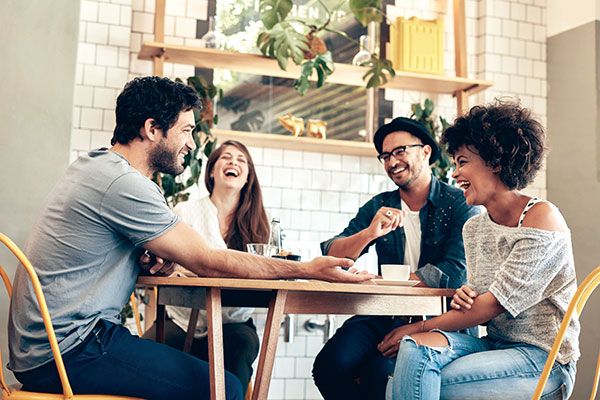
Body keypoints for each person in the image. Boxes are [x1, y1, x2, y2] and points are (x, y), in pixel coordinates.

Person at [7, 76, 373, 400]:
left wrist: (146, 257)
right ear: (152, 129)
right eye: (185, 130)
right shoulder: (125, 183)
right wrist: (307, 269)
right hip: (70, 349)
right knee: (225, 389)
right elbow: (207, 259)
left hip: (46, 346)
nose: (191, 143)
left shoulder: (96, 167)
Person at [384, 101, 580, 399]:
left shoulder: (542, 218)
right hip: (496, 344)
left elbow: (491, 306)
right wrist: (467, 295)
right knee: (415, 350)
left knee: (413, 380)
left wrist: (417, 326)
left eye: (462, 162)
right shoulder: (474, 227)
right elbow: (481, 307)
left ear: (496, 161)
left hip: (545, 361)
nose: (455, 173)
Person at [312, 117, 480, 399]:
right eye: (386, 156)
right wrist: (368, 233)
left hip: (442, 317)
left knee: (380, 373)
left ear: (426, 151)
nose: (392, 162)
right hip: (384, 311)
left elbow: (455, 272)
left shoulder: (459, 204)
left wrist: (392, 281)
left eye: (400, 151)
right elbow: (332, 253)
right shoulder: (380, 205)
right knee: (330, 365)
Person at [143, 140, 268, 397]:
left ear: (248, 177)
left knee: (242, 346)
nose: (234, 162)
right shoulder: (185, 212)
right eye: (226, 157)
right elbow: (167, 266)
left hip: (233, 323)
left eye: (241, 160)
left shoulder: (259, 226)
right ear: (211, 171)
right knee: (145, 355)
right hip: (180, 318)